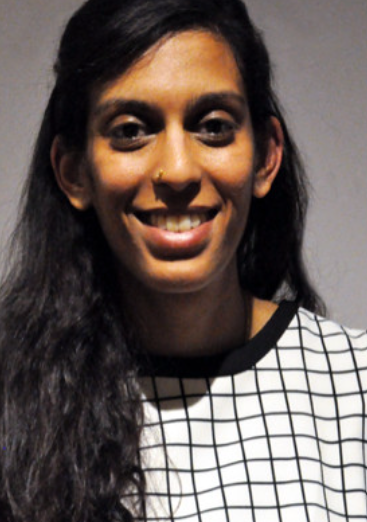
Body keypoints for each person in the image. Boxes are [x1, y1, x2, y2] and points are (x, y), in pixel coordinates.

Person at [0, 0, 366, 520]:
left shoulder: (356, 390)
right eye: (131, 130)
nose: (176, 171)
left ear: (265, 156)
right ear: (74, 171)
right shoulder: (14, 407)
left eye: (213, 126)